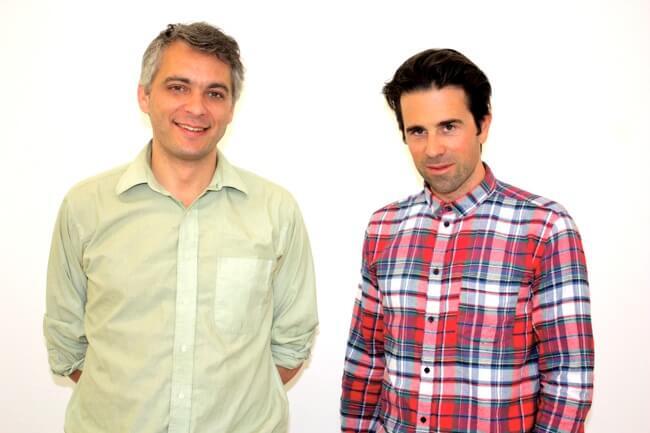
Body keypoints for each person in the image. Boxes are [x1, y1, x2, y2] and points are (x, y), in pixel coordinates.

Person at [44, 22, 318, 433]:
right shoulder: (86, 208)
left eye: (215, 93)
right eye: (178, 87)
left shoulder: (275, 210)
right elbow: (67, 342)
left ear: (231, 107)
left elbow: (292, 343)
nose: (196, 107)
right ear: (144, 95)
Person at [341, 49, 594, 433]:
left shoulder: (544, 228)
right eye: (418, 131)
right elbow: (365, 360)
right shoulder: (384, 227)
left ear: (483, 125)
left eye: (449, 126)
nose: (433, 149)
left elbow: (569, 378)